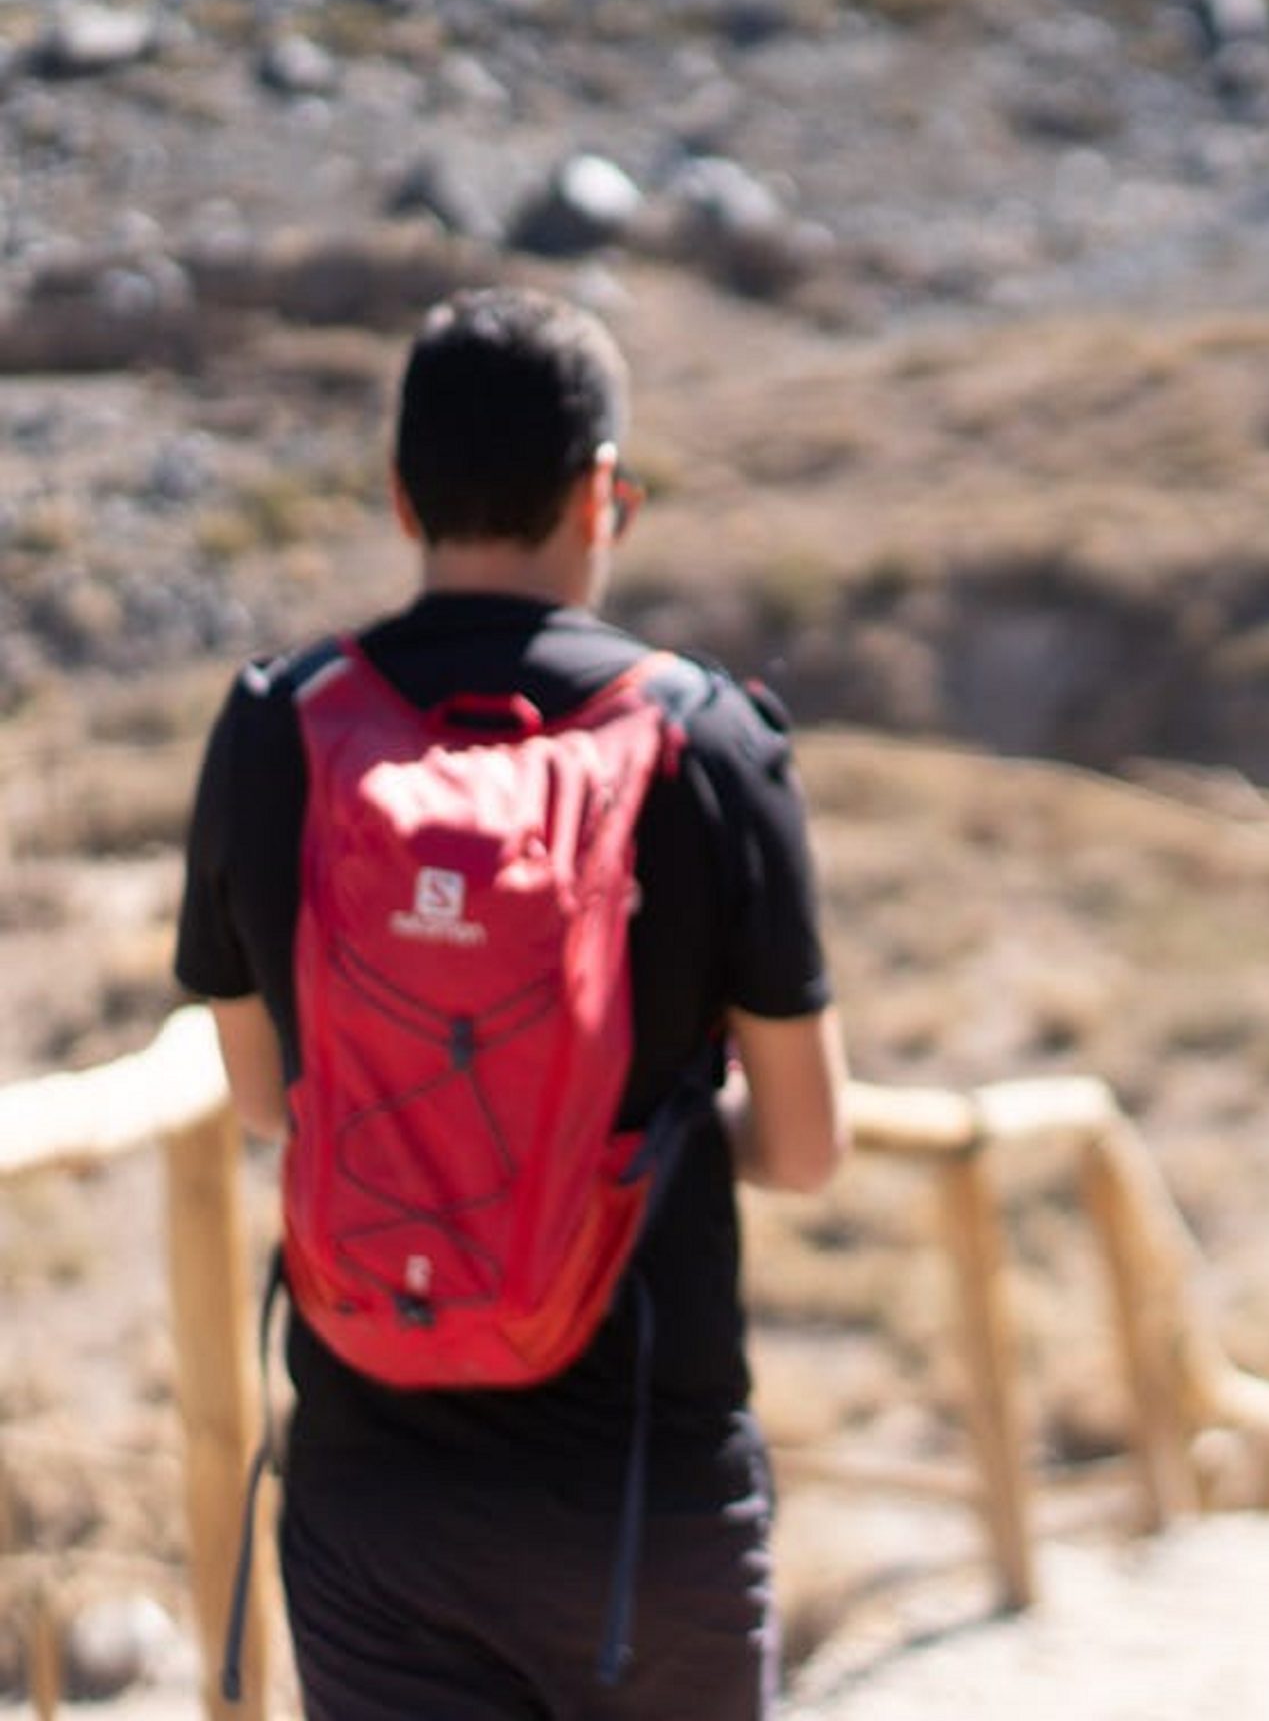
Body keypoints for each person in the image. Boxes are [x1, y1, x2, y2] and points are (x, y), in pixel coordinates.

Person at [175, 284, 848, 1719]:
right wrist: (614, 1132)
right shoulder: (710, 746)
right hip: (641, 1502)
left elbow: (259, 1099)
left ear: (400, 494)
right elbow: (804, 1145)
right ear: (602, 496)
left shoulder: (277, 730)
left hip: (376, 1499)